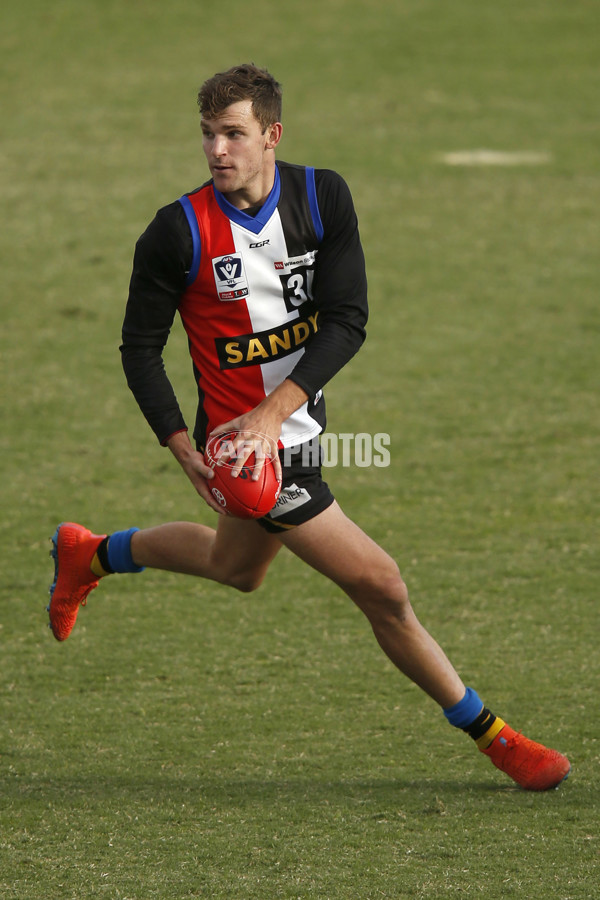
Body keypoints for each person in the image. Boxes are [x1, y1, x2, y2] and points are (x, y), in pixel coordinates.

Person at [47, 63, 570, 791]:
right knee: (383, 588)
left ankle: (92, 554)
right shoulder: (177, 232)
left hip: (285, 426)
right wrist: (181, 445)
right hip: (250, 457)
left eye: (234, 134)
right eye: (208, 135)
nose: (217, 150)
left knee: (237, 570)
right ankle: (498, 739)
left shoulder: (322, 198)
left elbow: (348, 319)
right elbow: (139, 347)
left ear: (271, 135)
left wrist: (273, 414)